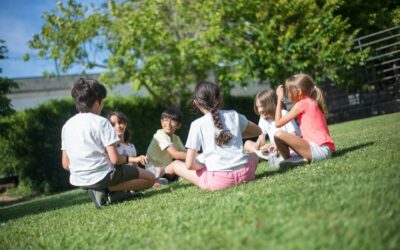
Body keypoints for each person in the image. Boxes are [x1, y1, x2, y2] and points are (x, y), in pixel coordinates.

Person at [61, 78, 156, 209]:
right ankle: (107, 189)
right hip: (104, 175)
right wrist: (128, 159)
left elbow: (66, 164)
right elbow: (116, 160)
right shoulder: (101, 122)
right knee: (150, 178)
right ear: (97, 101)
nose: (103, 104)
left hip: (79, 179)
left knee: (119, 176)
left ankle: (105, 192)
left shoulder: (67, 126)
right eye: (103, 100)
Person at [165, 81, 262, 191]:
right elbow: (258, 131)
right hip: (246, 174)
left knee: (176, 164)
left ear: (196, 103)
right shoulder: (234, 115)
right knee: (254, 155)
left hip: (219, 181)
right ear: (219, 99)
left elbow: (189, 165)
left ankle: (163, 177)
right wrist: (234, 135)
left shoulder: (197, 124)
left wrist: (206, 165)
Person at [274, 73, 336, 167]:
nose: (287, 94)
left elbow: (278, 123)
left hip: (318, 151)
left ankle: (290, 160)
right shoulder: (312, 102)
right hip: (324, 150)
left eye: (289, 91)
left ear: (298, 92)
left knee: (278, 135)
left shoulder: (302, 104)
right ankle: (296, 159)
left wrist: (279, 99)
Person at [244, 88, 301, 159]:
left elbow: (294, 137)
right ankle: (267, 155)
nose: (259, 110)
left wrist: (274, 145)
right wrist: (258, 144)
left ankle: (267, 156)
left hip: (289, 147)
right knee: (247, 143)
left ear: (269, 104)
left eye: (261, 106)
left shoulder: (283, 113)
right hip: (274, 149)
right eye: (257, 107)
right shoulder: (263, 118)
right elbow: (261, 138)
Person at [146, 107, 186, 182]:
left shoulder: (176, 138)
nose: (168, 123)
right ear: (161, 122)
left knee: (184, 163)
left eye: (173, 120)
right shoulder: (159, 134)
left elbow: (184, 154)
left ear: (178, 125)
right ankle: (158, 182)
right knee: (176, 163)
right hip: (153, 172)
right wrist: (196, 155)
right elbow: (176, 154)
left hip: (166, 170)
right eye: (166, 120)